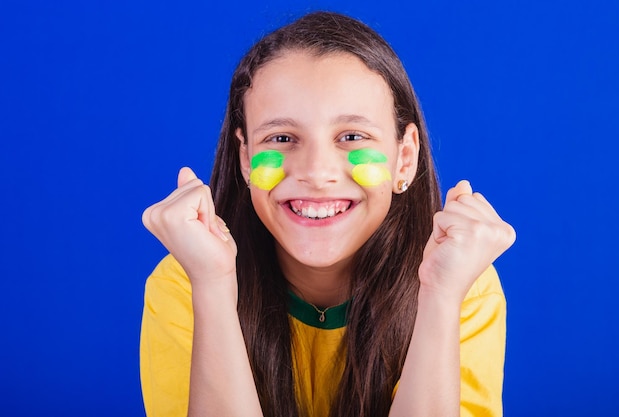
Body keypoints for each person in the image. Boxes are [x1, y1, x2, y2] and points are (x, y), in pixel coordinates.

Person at [140, 10, 516, 417]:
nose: (317, 174)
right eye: (282, 137)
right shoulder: (186, 284)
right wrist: (211, 287)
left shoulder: (464, 286)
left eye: (352, 136)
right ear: (245, 158)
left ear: (404, 159)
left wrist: (441, 298)